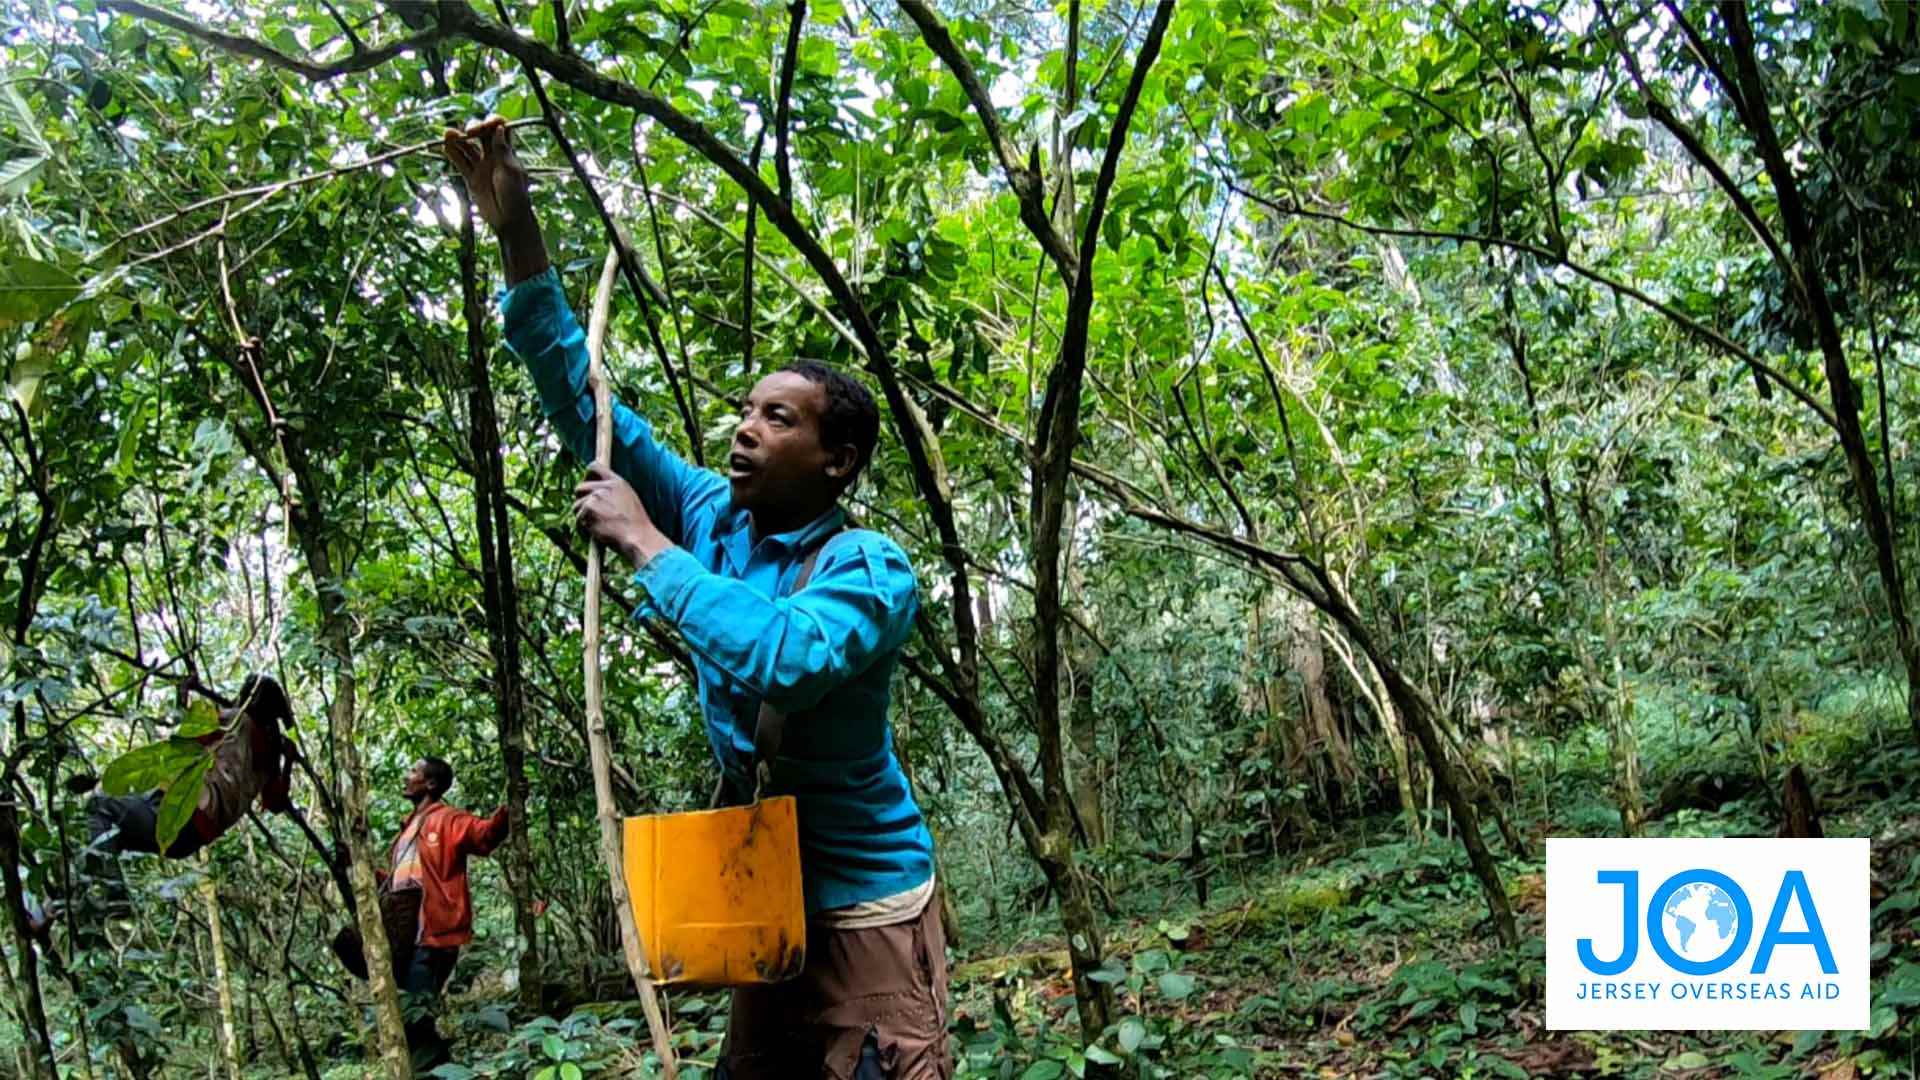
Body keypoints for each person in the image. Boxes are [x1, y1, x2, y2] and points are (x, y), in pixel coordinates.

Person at [445, 118, 951, 1080]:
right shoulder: (714, 513)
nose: (746, 429)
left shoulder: (872, 569)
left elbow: (785, 658)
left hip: (863, 904)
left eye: (779, 418)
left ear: (838, 460)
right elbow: (580, 392)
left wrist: (642, 540)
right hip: (761, 889)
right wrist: (518, 230)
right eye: (747, 410)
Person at [374, 756, 510, 1076]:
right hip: (407, 939)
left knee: (417, 1018)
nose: (407, 777)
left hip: (433, 936)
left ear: (431, 784)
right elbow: (399, 883)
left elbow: (485, 835)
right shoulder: (408, 830)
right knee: (410, 1018)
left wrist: (508, 809)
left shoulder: (447, 820)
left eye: (414, 773)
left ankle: (443, 1072)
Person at [85, 673, 295, 863]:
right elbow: (276, 803)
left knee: (101, 804)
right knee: (109, 835)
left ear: (248, 698)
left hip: (182, 817)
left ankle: (109, 901)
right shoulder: (270, 759)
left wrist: (182, 694)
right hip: (193, 837)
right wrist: (289, 763)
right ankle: (81, 896)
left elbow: (183, 736)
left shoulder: (234, 721)